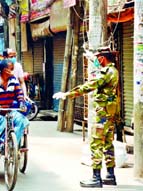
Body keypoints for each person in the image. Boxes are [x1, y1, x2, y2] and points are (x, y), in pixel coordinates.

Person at [53, 47, 119, 188]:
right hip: (109, 113)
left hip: (102, 114)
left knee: (96, 143)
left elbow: (90, 85)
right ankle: (110, 175)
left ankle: (96, 178)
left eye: (97, 58)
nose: (96, 60)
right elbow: (99, 76)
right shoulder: (113, 71)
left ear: (102, 58)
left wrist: (67, 94)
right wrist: (92, 60)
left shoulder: (107, 72)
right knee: (108, 144)